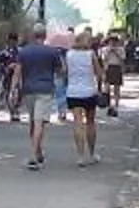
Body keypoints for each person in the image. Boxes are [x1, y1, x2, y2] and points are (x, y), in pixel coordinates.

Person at [14, 26, 66, 168]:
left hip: (29, 89)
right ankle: (33, 155)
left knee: (33, 121)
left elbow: (17, 71)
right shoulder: (52, 52)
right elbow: (61, 70)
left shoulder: (24, 51)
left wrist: (13, 89)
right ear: (45, 35)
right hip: (45, 89)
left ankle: (37, 152)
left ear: (33, 35)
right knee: (39, 122)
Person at [62, 27, 104, 163]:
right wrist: (100, 87)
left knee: (77, 122)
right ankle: (91, 154)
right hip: (89, 92)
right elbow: (99, 73)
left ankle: (80, 156)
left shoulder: (69, 54)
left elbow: (65, 72)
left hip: (73, 92)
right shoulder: (91, 54)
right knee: (90, 123)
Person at [98, 27, 127, 115]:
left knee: (117, 87)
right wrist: (109, 51)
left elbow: (122, 59)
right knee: (107, 87)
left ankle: (116, 103)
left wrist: (116, 52)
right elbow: (103, 60)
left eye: (114, 41)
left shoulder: (121, 49)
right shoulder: (104, 49)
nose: (113, 43)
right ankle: (108, 103)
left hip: (117, 67)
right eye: (111, 41)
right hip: (108, 68)